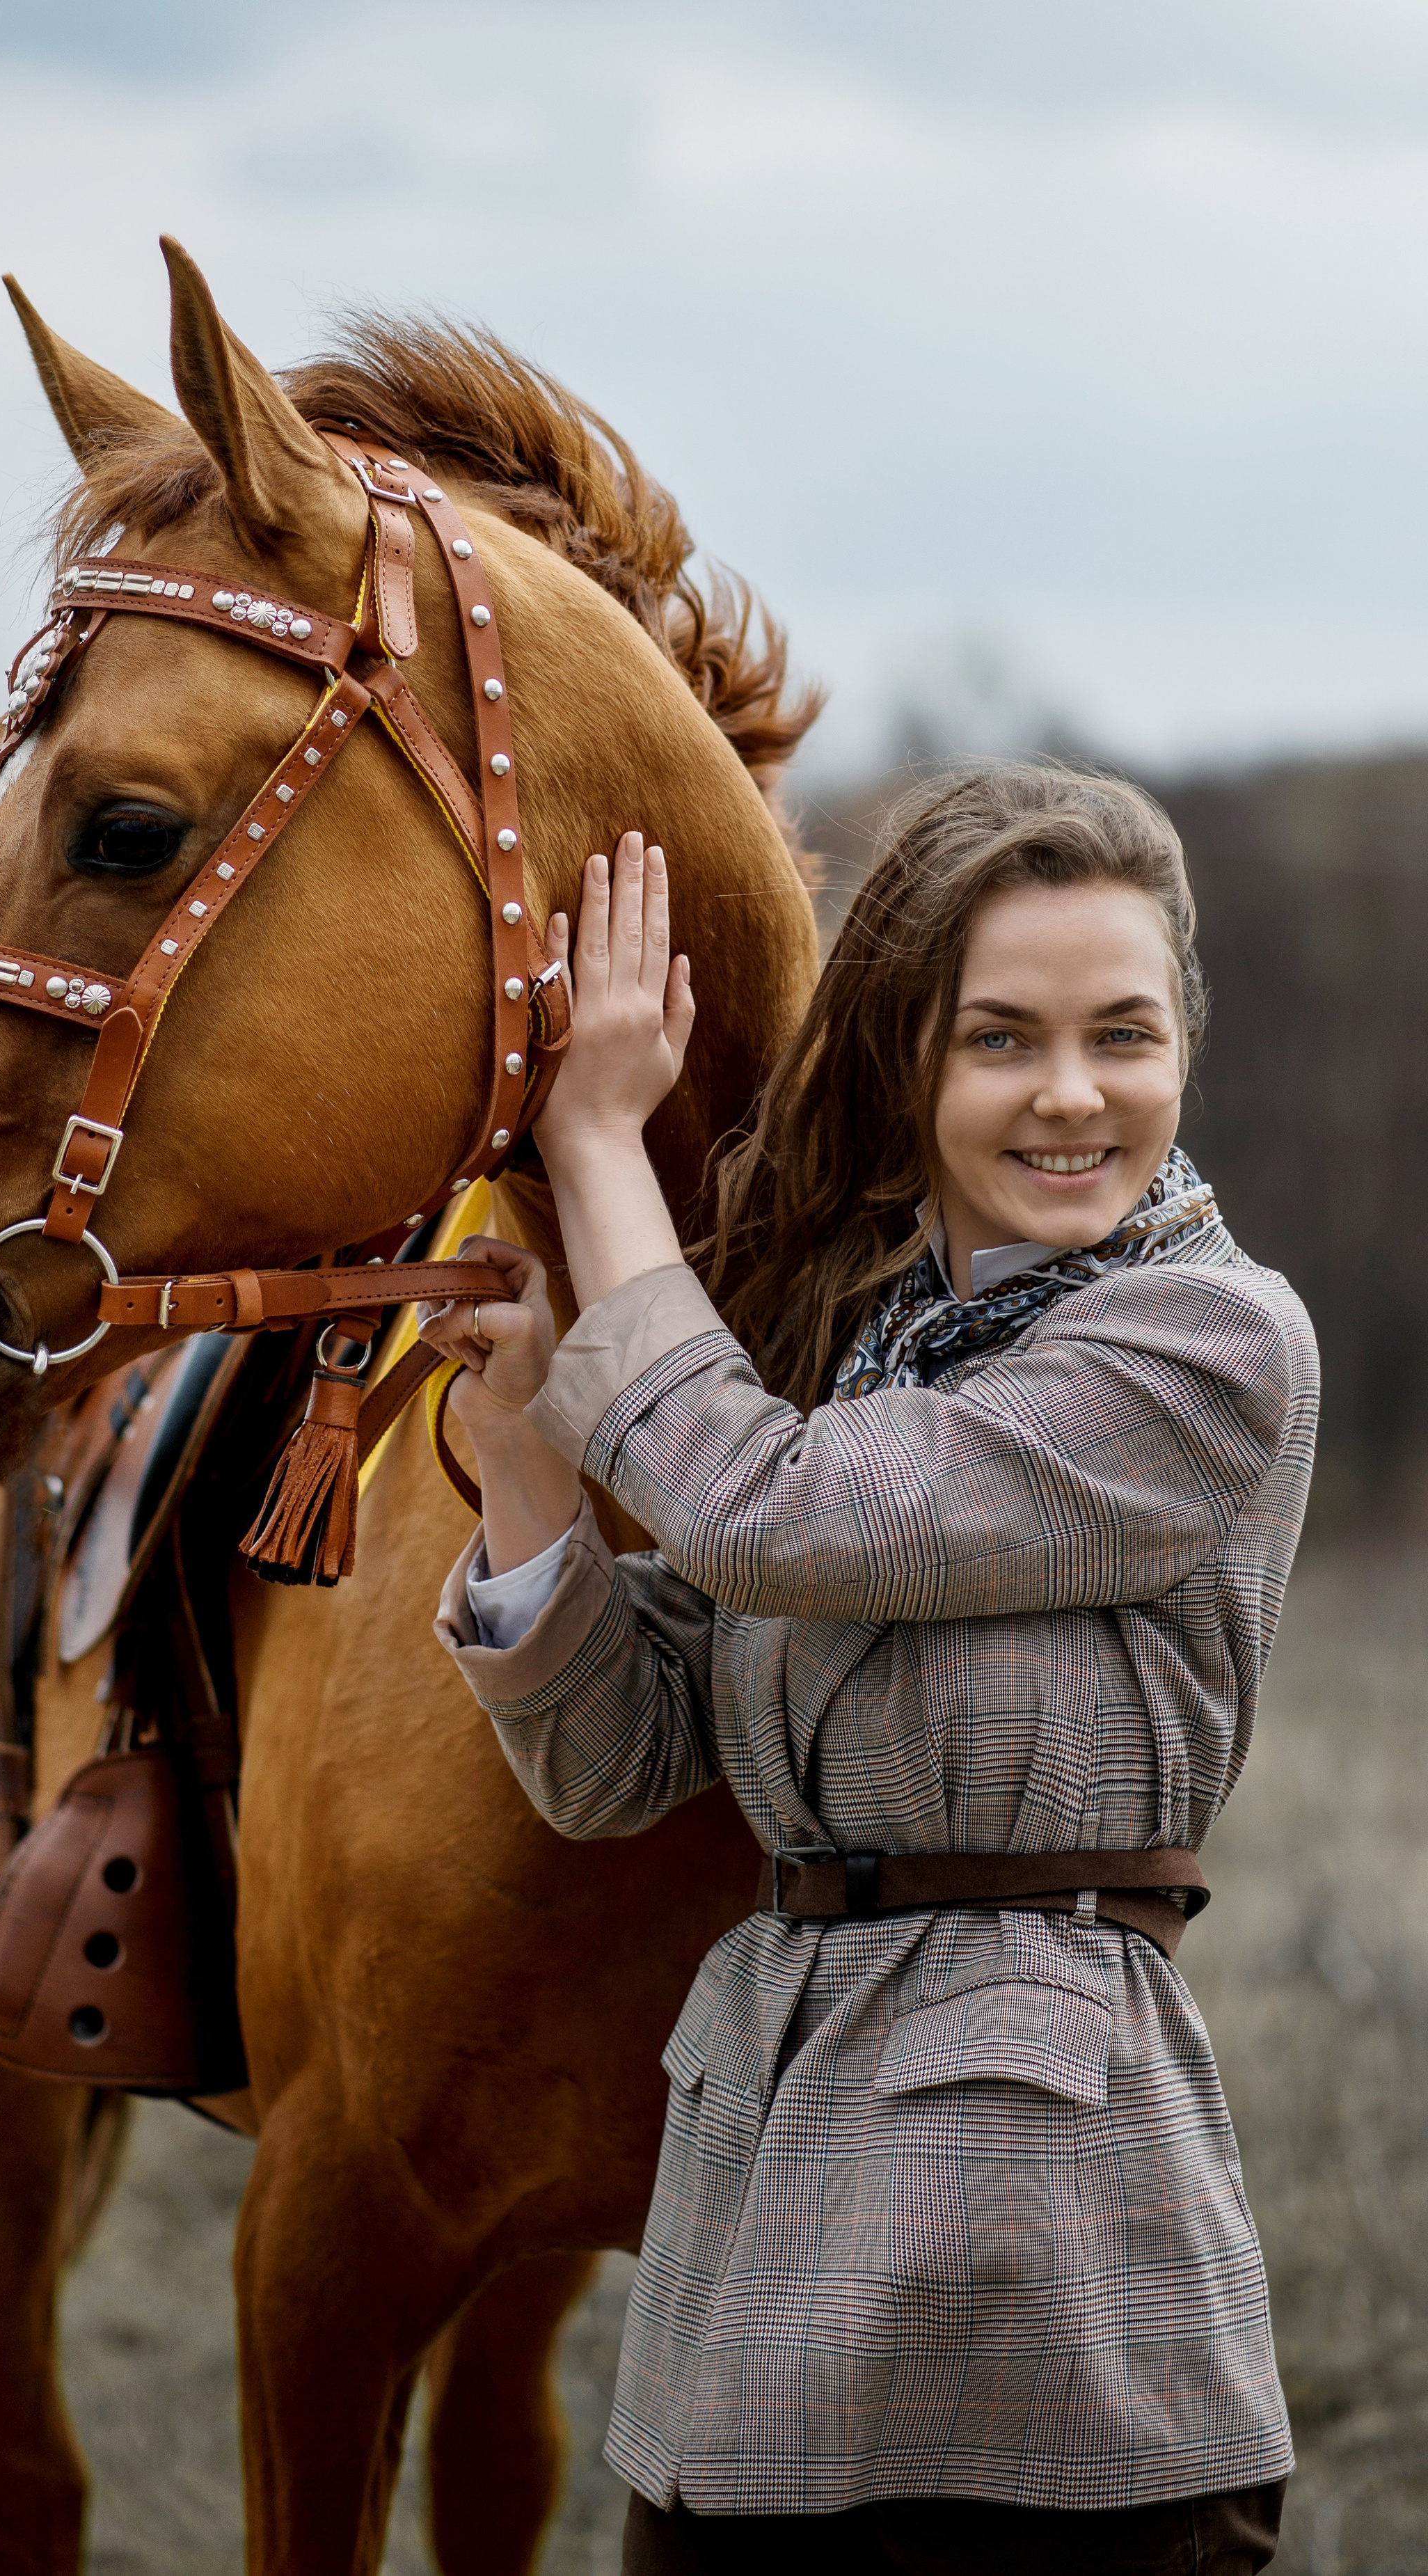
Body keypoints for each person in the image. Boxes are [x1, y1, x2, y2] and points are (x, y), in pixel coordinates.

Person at [419, 766, 1316, 2575]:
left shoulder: (1209, 1342)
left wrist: (603, 1153)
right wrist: (526, 1455)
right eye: (1003, 1039)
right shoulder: (851, 1345)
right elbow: (618, 1756)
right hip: (758, 2260)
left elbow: (771, 1520)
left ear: (1183, 1053)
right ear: (911, 1062)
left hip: (1049, 2263)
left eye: (1121, 1035)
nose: (1073, 1094)